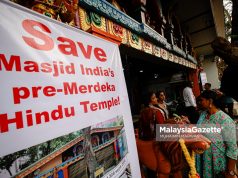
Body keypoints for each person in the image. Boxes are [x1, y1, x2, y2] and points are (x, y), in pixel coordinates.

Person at [196, 90, 238, 178]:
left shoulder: (225, 120)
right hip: (202, 159)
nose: (199, 103)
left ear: (210, 101)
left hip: (217, 162)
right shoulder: (203, 114)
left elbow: (232, 148)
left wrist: (230, 172)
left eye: (201, 100)